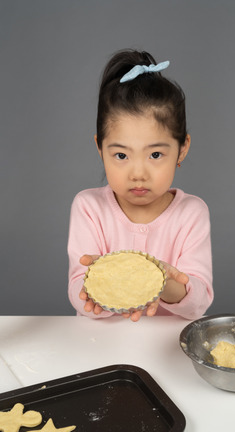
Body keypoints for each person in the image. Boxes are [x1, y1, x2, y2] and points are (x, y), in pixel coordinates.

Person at [67, 49, 213, 321]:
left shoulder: (192, 213)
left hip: (166, 349)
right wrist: (99, 282)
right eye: (121, 155)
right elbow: (78, 290)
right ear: (100, 148)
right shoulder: (89, 207)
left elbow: (199, 304)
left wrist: (161, 281)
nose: (138, 173)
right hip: (99, 348)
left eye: (155, 155)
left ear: (182, 149)